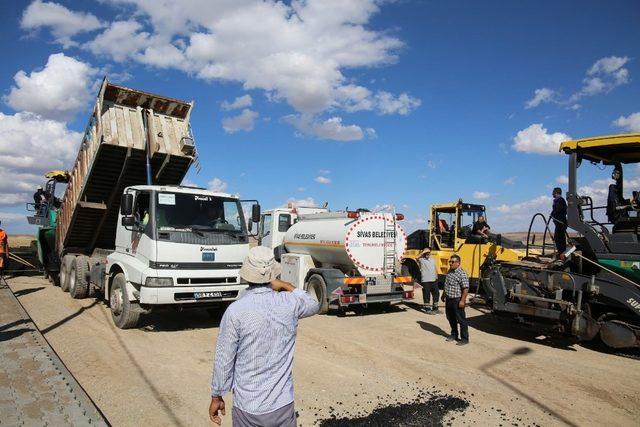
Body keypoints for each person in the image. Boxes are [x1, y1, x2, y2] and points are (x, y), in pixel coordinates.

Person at [209, 246, 319, 426]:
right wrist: (287, 286)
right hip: (282, 404)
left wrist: (217, 395)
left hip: (248, 406)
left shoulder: (236, 311)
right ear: (272, 276)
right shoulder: (289, 303)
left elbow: (224, 359)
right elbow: (313, 303)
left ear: (246, 275)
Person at [440, 255, 469, 345]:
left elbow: (465, 288)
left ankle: (464, 339)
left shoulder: (462, 273)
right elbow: (447, 284)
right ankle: (454, 335)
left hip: (457, 300)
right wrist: (443, 295)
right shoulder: (450, 271)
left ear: (458, 263)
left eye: (453, 262)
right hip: (449, 299)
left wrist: (462, 301)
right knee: (450, 318)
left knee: (461, 320)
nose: (451, 263)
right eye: (450, 262)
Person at [418, 249, 439, 313]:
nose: (427, 254)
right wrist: (423, 252)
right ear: (424, 253)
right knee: (426, 295)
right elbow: (416, 257)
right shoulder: (421, 260)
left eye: (428, 253)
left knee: (436, 293)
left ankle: (435, 308)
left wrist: (436, 276)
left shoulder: (433, 260)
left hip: (434, 280)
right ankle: (427, 309)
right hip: (426, 281)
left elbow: (435, 268)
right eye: (426, 253)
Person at [550, 187, 567, 255]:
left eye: (553, 192)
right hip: (559, 222)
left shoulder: (560, 200)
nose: (552, 194)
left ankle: (562, 253)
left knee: (558, 238)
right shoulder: (558, 200)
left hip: (561, 222)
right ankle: (561, 252)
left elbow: (559, 210)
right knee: (558, 238)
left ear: (556, 193)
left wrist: (553, 214)